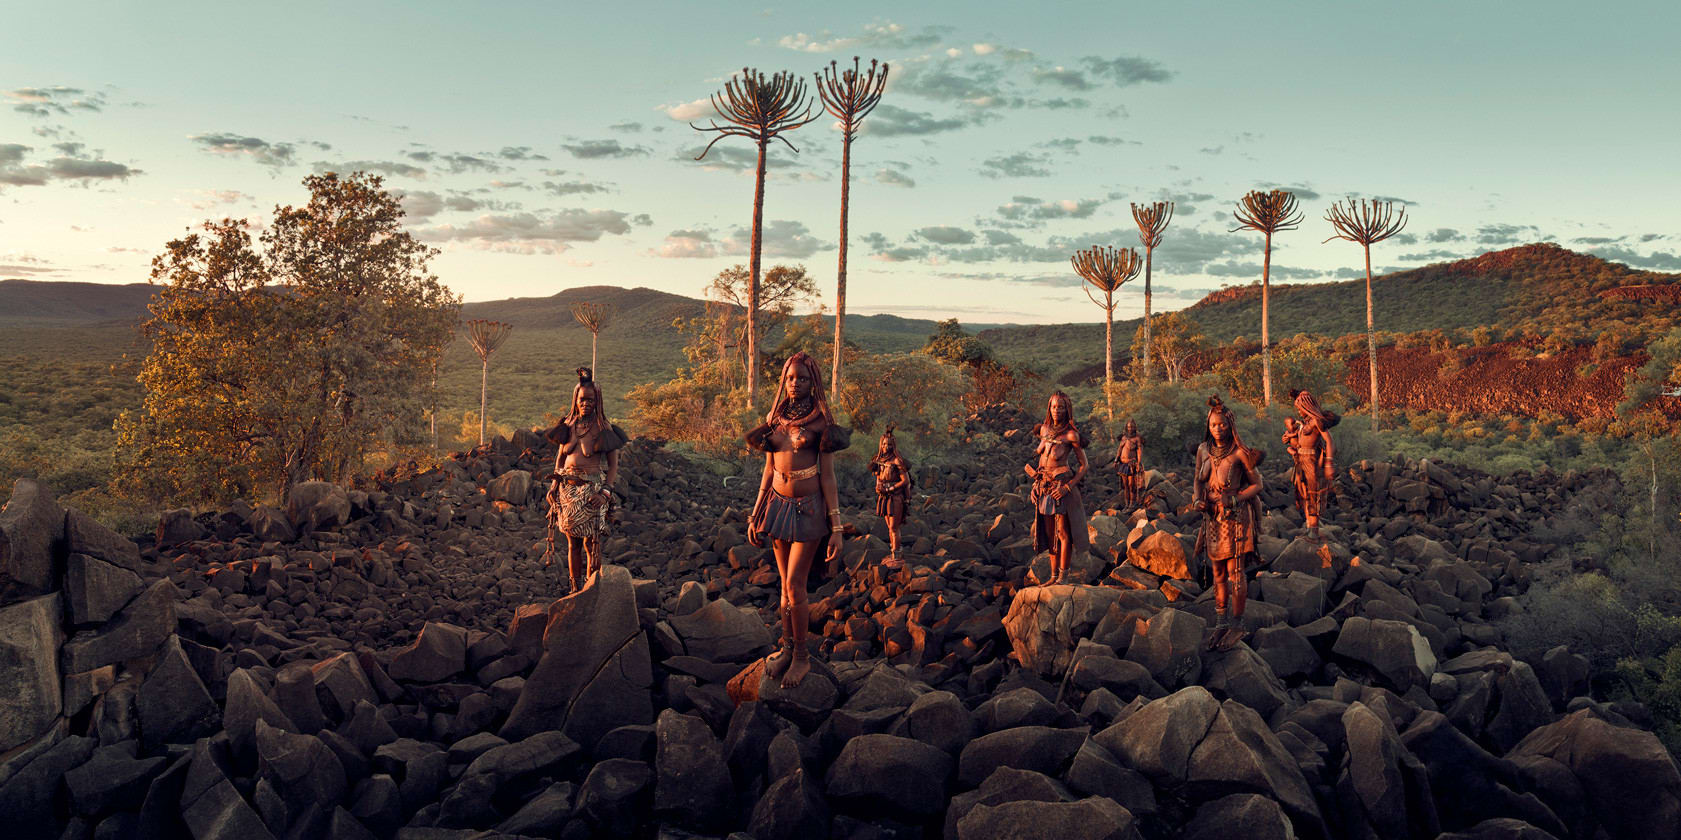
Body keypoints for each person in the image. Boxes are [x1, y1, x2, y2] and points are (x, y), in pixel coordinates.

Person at [746, 351, 850, 688]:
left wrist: (836, 528)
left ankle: (803, 656)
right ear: (784, 380)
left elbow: (829, 477)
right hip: (776, 506)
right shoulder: (774, 419)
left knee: (795, 586)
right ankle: (787, 649)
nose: (795, 384)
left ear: (813, 382)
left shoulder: (821, 422)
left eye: (802, 378)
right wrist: (756, 512)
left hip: (809, 509)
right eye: (790, 378)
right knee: (783, 588)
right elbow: (768, 469)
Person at [542, 368, 627, 594]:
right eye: (582, 399)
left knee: (592, 544)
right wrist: (554, 485)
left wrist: (605, 493)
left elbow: (613, 466)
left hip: (593, 492)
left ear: (597, 401)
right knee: (573, 544)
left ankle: (592, 589)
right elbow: (560, 458)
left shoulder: (603, 428)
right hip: (567, 491)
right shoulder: (568, 426)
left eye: (590, 400)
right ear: (575, 400)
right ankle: (574, 588)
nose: (585, 404)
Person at [1193, 396, 1263, 651]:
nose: (1218, 429)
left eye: (1222, 425)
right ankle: (1221, 623)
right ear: (1208, 426)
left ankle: (1238, 623)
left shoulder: (1240, 453)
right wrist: (1197, 500)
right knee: (1218, 573)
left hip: (1235, 519)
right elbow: (1198, 480)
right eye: (1213, 425)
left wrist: (1234, 499)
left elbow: (1258, 484)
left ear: (1230, 426)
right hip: (1212, 518)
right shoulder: (1203, 450)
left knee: (1236, 572)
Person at [1024, 391, 1090, 585]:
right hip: (1044, 487)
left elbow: (1084, 465)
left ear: (1067, 409)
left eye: (1060, 407)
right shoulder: (1044, 430)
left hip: (1060, 488)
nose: (1056, 410)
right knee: (1050, 533)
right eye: (1053, 406)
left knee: (1063, 533)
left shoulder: (1071, 435)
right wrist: (1035, 485)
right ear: (1049, 407)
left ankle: (1063, 576)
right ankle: (1052, 577)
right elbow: (1041, 462)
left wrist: (1068, 488)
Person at [1285, 388, 1339, 536]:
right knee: (1303, 493)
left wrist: (1329, 463)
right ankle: (1309, 526)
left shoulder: (1316, 422)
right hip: (1301, 461)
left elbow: (1330, 441)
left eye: (1300, 408)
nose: (1299, 412)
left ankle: (1314, 530)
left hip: (1313, 462)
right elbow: (1297, 439)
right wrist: (1289, 439)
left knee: (1313, 494)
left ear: (1307, 406)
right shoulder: (1304, 424)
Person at [870, 425, 913, 568]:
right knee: (889, 526)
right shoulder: (878, 460)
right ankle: (893, 552)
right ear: (880, 444)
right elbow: (878, 477)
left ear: (893, 445)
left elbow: (905, 481)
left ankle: (897, 554)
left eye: (889, 444)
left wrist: (891, 488)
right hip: (884, 497)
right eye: (883, 444)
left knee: (894, 527)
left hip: (895, 497)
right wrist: (879, 486)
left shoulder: (897, 461)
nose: (886, 446)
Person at [1115, 419, 1145, 509]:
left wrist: (1139, 463)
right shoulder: (1124, 437)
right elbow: (1119, 449)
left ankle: (1132, 504)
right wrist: (1116, 460)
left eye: (1131, 426)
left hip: (1132, 464)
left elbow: (1139, 451)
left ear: (1134, 427)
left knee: (1132, 485)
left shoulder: (1137, 438)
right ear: (1126, 427)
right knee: (1126, 485)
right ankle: (1127, 504)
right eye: (1128, 427)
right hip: (1123, 464)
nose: (1130, 428)